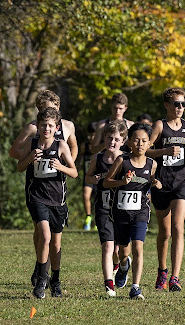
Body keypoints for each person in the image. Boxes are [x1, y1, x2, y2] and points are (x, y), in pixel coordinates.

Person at [9, 90, 79, 288]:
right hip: (37, 186)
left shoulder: (68, 126)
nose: (49, 112)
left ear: (58, 108)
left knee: (51, 236)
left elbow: (73, 147)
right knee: (41, 231)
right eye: (45, 110)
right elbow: (14, 151)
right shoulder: (33, 129)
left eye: (53, 108)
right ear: (39, 112)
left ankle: (45, 269)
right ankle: (41, 268)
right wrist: (30, 157)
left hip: (57, 186)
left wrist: (65, 163)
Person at [147, 87, 185, 292]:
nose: (180, 108)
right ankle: (162, 271)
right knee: (165, 232)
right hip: (161, 182)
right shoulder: (160, 125)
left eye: (183, 104)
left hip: (181, 181)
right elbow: (147, 149)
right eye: (176, 104)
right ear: (167, 105)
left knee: (178, 227)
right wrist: (165, 151)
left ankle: (175, 278)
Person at [104, 122, 162, 300]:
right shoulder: (123, 160)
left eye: (144, 141)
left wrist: (156, 183)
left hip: (140, 212)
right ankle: (123, 266)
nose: (140, 144)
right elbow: (106, 182)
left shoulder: (152, 164)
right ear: (129, 142)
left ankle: (135, 287)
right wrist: (122, 182)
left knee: (138, 247)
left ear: (149, 144)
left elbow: (153, 181)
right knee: (124, 251)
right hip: (121, 212)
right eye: (136, 140)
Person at [85, 120, 130, 297]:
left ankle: (122, 265)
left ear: (123, 141)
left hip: (122, 209)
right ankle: (108, 284)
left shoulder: (126, 158)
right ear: (104, 138)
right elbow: (87, 177)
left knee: (119, 250)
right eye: (109, 138)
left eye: (116, 139)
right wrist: (93, 179)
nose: (112, 142)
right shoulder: (97, 158)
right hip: (103, 208)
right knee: (107, 246)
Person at [81, 119, 100, 230]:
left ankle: (98, 220)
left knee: (98, 199)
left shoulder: (101, 146)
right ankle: (88, 217)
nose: (91, 137)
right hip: (88, 176)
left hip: (98, 177)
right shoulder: (85, 146)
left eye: (94, 135)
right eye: (90, 134)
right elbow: (81, 158)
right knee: (86, 195)